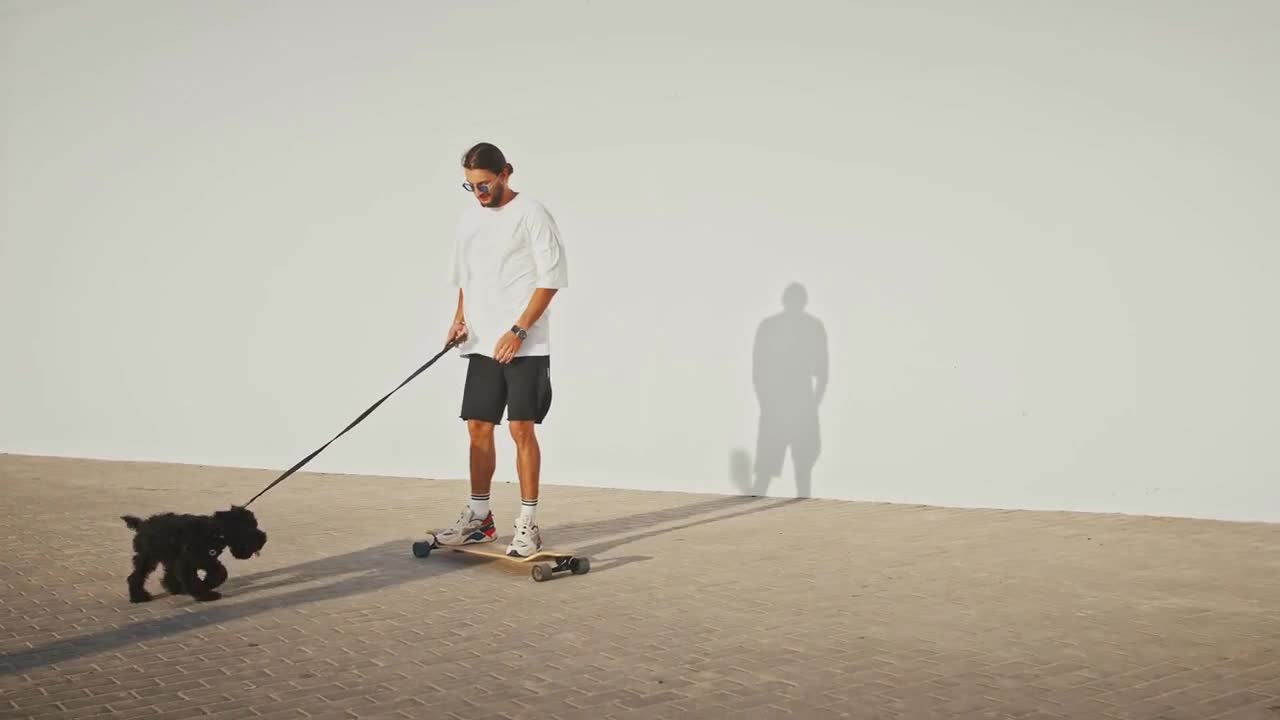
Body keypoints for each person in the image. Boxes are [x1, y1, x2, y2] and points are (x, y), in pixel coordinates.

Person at [434, 142, 569, 557]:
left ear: (506, 173)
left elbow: (552, 278)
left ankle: (528, 523)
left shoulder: (532, 213)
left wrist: (519, 329)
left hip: (522, 343)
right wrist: (459, 319)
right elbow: (466, 279)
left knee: (520, 428)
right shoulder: (468, 220)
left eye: (485, 184)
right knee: (477, 426)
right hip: (480, 341)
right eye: (471, 186)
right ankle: (480, 519)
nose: (479, 193)